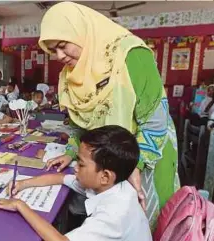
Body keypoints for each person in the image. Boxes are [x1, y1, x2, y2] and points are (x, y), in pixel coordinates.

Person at [38, 2, 179, 229]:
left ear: (82, 32)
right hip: (106, 161)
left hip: (146, 153)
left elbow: (155, 124)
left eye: (63, 46)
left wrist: (135, 165)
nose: (59, 56)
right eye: (52, 50)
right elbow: (80, 126)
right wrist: (71, 152)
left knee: (142, 222)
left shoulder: (131, 56)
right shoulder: (70, 75)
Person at [0, 125, 151, 241]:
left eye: (81, 164)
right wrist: (23, 183)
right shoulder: (110, 185)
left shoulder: (114, 214)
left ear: (105, 176)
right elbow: (59, 178)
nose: (75, 169)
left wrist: (20, 205)